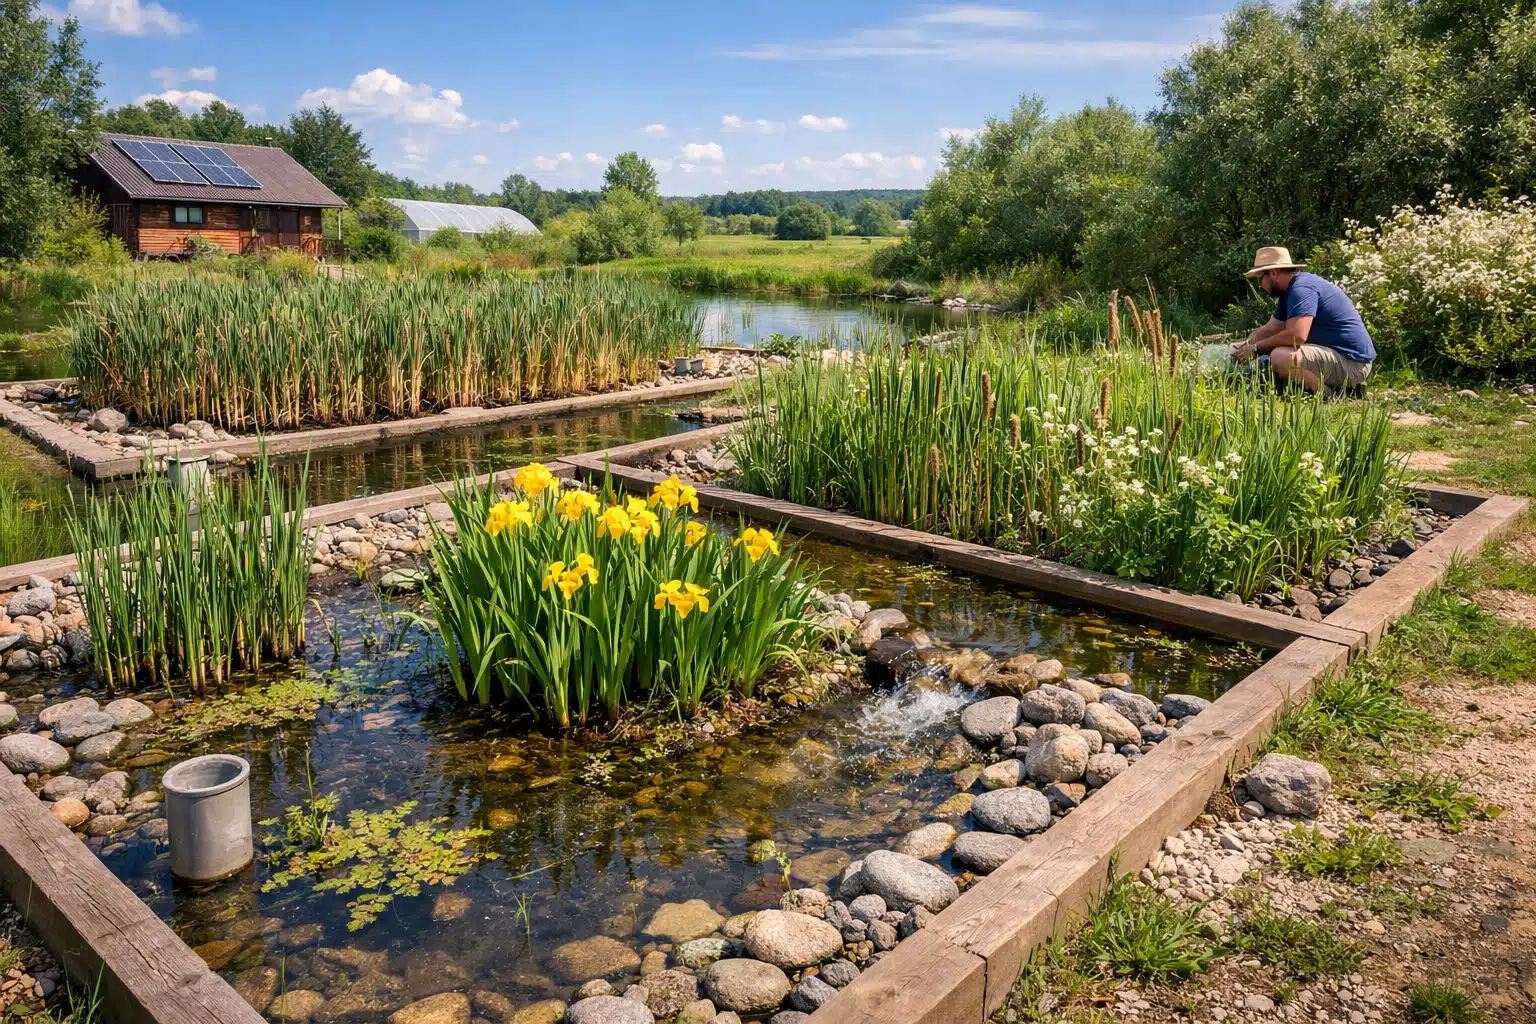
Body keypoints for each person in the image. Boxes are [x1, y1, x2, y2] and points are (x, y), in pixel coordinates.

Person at [1230, 246, 1376, 395]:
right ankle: (1333, 387)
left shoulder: (1301, 289)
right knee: (1271, 356)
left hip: (1353, 362)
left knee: (1280, 357)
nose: (1260, 285)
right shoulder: (1288, 292)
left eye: (1260, 278)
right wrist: (1244, 346)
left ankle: (1328, 394)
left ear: (1273, 273)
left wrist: (1256, 349)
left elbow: (1297, 336)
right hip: (1337, 356)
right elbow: (1269, 329)